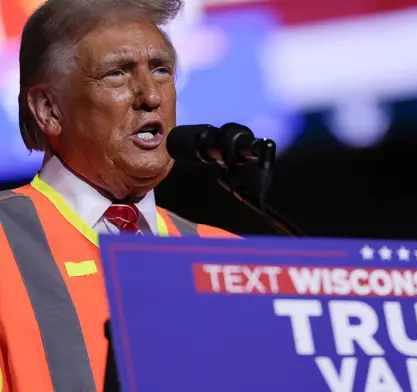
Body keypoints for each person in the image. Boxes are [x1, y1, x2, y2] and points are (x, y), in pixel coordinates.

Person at [0, 0, 238, 390]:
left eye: (161, 70)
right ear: (48, 109)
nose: (150, 95)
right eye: (116, 74)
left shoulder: (229, 259)